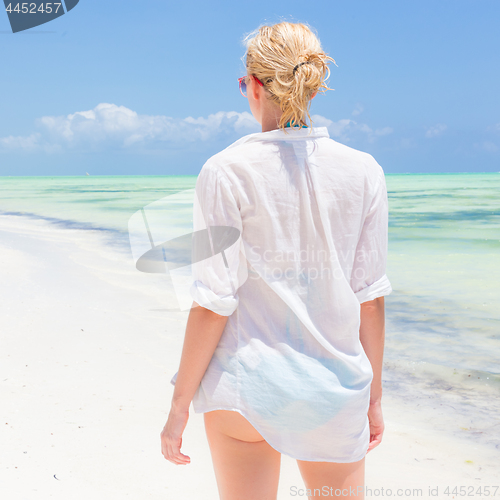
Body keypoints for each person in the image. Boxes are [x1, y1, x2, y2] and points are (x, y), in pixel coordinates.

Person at [161, 21, 391, 500]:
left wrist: (180, 403)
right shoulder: (364, 170)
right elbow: (369, 298)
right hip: (333, 389)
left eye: (244, 84)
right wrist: (374, 396)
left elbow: (213, 301)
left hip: (247, 389)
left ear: (257, 86)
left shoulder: (225, 170)